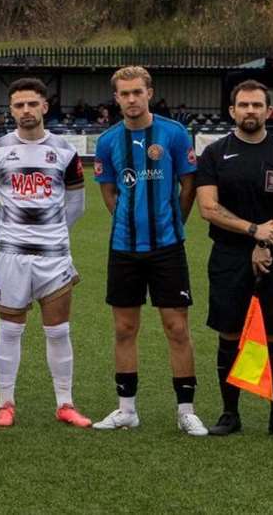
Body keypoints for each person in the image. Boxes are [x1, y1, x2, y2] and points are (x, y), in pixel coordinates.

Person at [92, 66, 206, 436]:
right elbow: (108, 191)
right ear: (116, 98)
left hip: (167, 248)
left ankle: (185, 410)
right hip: (124, 248)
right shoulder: (108, 141)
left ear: (149, 93)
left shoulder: (173, 134)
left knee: (177, 328)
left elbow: (188, 185)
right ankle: (127, 409)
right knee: (125, 328)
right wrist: (126, 219)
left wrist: (174, 223)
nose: (131, 99)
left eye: (137, 92)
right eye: (124, 94)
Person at [194, 80, 273, 438]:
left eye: (257, 105)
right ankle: (230, 413)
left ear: (268, 110)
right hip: (228, 256)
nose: (251, 111)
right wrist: (253, 230)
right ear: (232, 111)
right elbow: (208, 208)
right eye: (244, 105)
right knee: (229, 333)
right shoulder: (214, 154)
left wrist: (267, 239)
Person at [0, 78, 93, 428]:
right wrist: (8, 236)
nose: (26, 111)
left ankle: (65, 403)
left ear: (45, 106)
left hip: (54, 255)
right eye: (18, 105)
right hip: (12, 256)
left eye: (32, 104)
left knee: (58, 331)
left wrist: (53, 234)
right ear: (10, 110)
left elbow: (76, 203)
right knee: (10, 330)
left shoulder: (65, 150)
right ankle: (5, 403)